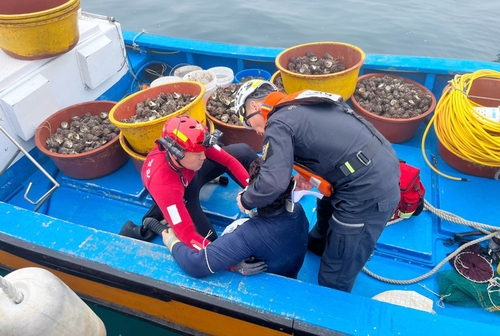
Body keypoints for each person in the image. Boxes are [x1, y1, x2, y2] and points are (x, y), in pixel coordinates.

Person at [233, 80, 401, 293]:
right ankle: (318, 245)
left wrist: (246, 199)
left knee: (339, 262)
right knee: (325, 211)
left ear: (255, 107)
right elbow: (324, 143)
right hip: (373, 159)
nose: (255, 131)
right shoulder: (299, 104)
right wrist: (306, 176)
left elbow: (272, 183)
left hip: (369, 185)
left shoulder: (278, 121)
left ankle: (332, 295)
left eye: (249, 123)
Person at [145, 157, 309, 278]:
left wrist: (171, 241)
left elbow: (197, 264)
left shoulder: (247, 235)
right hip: (290, 273)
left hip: (263, 285)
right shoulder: (298, 211)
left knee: (232, 230)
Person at [120, 116, 258, 251]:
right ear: (175, 154)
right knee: (209, 240)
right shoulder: (164, 186)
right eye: (198, 154)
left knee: (243, 152)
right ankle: (156, 217)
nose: (204, 156)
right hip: (181, 191)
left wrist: (253, 192)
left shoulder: (196, 147)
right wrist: (230, 262)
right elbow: (188, 235)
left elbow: (229, 161)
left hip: (193, 171)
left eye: (204, 151)